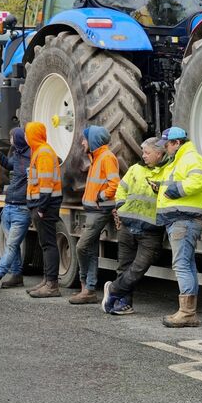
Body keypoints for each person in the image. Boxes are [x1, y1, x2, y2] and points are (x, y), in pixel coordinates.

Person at [102, 137, 166, 315]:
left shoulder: (166, 172)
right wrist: (120, 207)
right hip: (127, 226)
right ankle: (123, 304)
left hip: (151, 230)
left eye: (147, 152)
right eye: (143, 152)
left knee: (138, 268)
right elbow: (121, 188)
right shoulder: (135, 169)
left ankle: (114, 290)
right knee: (124, 266)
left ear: (159, 153)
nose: (143, 155)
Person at [151, 127, 202, 328]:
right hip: (180, 218)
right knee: (187, 264)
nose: (165, 149)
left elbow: (198, 181)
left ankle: (187, 313)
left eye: (166, 145)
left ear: (177, 143)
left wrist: (174, 191)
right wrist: (161, 187)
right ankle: (187, 311)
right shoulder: (180, 159)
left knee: (181, 265)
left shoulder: (190, 157)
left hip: (183, 218)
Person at [70, 126, 119, 304]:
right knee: (89, 250)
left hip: (100, 210)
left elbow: (115, 184)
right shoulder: (97, 156)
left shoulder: (106, 157)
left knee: (82, 247)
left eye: (85, 139)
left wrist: (100, 197)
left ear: (93, 140)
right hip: (93, 210)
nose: (83, 142)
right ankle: (88, 290)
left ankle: (87, 286)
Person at [24, 122, 63, 298]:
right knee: (45, 244)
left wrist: (41, 208)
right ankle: (47, 280)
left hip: (45, 206)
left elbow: (46, 184)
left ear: (33, 135)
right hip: (42, 205)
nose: (25, 136)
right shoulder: (39, 151)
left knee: (48, 244)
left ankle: (52, 285)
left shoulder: (44, 153)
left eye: (27, 133)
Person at [0, 128, 31, 290]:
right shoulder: (18, 154)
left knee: (12, 245)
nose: (10, 139)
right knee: (11, 245)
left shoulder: (33, 157)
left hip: (22, 208)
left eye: (12, 137)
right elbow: (7, 165)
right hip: (8, 206)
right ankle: (16, 275)